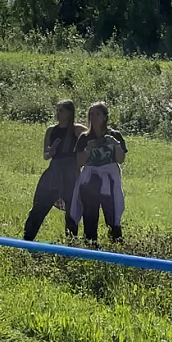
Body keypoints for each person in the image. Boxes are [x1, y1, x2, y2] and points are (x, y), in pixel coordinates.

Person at [23, 99, 86, 241]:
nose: (58, 114)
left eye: (61, 111)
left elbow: (91, 137)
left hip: (71, 172)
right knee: (39, 206)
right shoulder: (51, 130)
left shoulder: (77, 130)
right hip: (54, 171)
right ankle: (27, 240)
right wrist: (51, 152)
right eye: (57, 110)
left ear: (69, 113)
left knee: (72, 211)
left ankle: (71, 243)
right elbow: (45, 155)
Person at [69, 101, 127, 245]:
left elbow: (120, 159)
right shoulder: (84, 137)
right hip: (90, 180)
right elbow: (78, 162)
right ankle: (91, 247)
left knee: (112, 214)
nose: (93, 117)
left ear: (105, 117)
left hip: (109, 179)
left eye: (97, 114)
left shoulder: (114, 135)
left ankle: (117, 248)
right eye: (91, 114)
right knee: (89, 215)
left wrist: (116, 146)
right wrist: (87, 150)